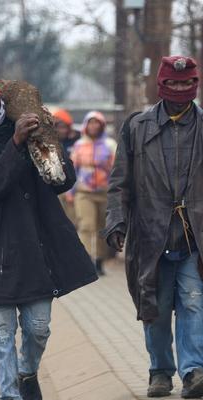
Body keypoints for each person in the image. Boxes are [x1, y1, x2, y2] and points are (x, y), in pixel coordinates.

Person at [0, 80, 97, 400]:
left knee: (38, 328)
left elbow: (62, 181)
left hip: (39, 246)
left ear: (1, 100)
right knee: (2, 330)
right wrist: (16, 143)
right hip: (2, 249)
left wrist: (48, 139)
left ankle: (27, 371)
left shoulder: (32, 130)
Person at [104, 56, 203, 400]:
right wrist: (116, 221)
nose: (181, 90)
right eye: (174, 84)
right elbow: (120, 183)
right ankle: (160, 372)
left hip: (198, 236)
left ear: (195, 84)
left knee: (195, 302)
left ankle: (195, 371)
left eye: (187, 83)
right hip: (152, 236)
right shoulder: (136, 127)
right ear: (161, 86)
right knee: (157, 307)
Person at [69, 111, 116, 276]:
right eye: (91, 122)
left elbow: (117, 170)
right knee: (86, 225)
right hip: (84, 192)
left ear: (102, 125)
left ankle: (100, 261)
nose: (94, 126)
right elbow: (72, 170)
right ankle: (86, 261)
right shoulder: (79, 145)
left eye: (97, 123)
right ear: (86, 125)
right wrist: (70, 191)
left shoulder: (110, 145)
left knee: (103, 228)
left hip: (105, 192)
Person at [52, 108, 80, 225]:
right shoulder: (50, 142)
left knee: (73, 219)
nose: (61, 131)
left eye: (64, 127)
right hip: (55, 184)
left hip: (73, 184)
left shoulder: (76, 142)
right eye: (58, 127)